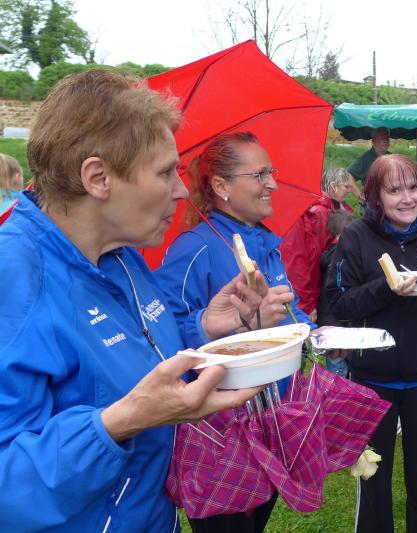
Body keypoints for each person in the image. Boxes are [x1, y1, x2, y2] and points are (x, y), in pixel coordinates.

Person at [0, 69, 265, 531]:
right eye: (165, 172)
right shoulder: (14, 279)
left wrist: (204, 327)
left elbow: (136, 353)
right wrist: (120, 422)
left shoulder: (122, 256)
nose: (181, 190)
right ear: (98, 178)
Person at [155, 131, 312, 532]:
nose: (272, 183)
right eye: (260, 174)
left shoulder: (265, 243)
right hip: (220, 432)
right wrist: (217, 326)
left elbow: (286, 314)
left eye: (271, 171)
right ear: (221, 185)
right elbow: (162, 332)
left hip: (270, 418)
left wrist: (316, 331)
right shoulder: (194, 248)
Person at [326, 153, 417, 532]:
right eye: (394, 191)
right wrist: (386, 289)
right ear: (375, 196)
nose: (407, 199)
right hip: (371, 381)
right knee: (373, 483)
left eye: (413, 188)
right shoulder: (356, 236)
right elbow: (339, 302)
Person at [279, 167, 356, 320]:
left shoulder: (339, 208)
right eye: (346, 186)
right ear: (334, 186)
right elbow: (308, 258)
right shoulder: (318, 212)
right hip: (316, 286)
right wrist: (308, 304)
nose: (349, 190)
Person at [317, 209, 356, 377]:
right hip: (339, 317)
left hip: (327, 316)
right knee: (340, 362)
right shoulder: (344, 256)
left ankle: (336, 388)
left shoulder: (327, 253)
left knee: (335, 362)